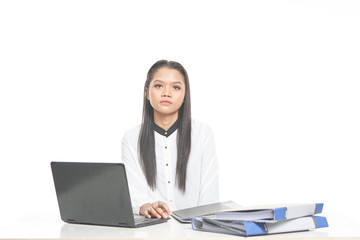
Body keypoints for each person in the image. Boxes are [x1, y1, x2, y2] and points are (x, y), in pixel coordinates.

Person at [121, 60, 219, 219]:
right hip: (152, 228)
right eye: (159, 86)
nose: (167, 93)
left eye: (176, 87)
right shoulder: (131, 138)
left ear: (185, 95)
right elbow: (134, 193)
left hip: (194, 230)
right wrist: (146, 207)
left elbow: (209, 194)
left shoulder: (202, 134)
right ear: (147, 92)